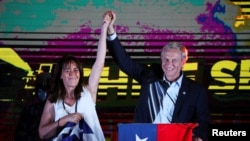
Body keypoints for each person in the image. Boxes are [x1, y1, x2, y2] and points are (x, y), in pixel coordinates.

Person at [106, 11, 211, 141]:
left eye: (174, 60)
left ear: (183, 62)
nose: (169, 64)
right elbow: (125, 62)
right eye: (166, 59)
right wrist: (110, 29)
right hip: (145, 137)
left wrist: (199, 137)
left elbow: (204, 121)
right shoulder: (150, 77)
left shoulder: (196, 91)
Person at [38, 11, 113, 141]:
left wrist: (104, 28)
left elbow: (100, 62)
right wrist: (63, 120)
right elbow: (42, 133)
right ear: (60, 75)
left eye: (75, 69)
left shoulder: (88, 91)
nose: (72, 73)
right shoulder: (53, 100)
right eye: (67, 70)